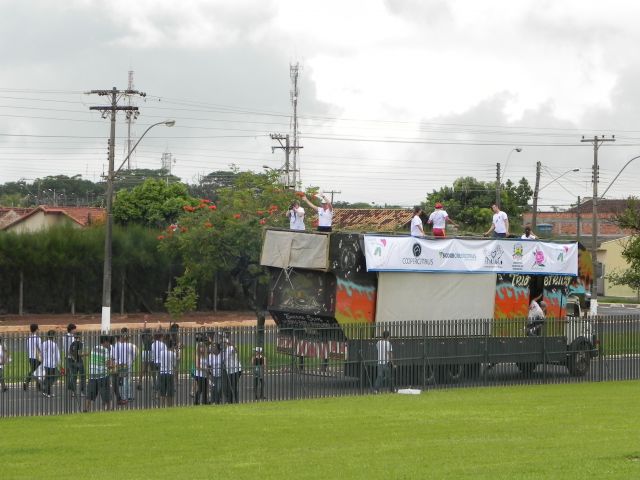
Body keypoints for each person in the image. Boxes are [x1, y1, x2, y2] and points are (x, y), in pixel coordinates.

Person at [85, 335, 113, 412]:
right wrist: (114, 365)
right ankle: (108, 409)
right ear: (105, 342)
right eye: (108, 342)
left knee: (90, 394)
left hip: (92, 374)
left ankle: (86, 409)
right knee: (106, 393)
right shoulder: (105, 350)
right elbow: (108, 365)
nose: (109, 344)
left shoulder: (94, 348)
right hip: (102, 375)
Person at [112, 328, 137, 405]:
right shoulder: (130, 345)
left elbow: (114, 356)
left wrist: (117, 363)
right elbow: (135, 354)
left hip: (119, 365)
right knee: (127, 380)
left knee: (120, 381)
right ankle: (128, 396)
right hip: (127, 364)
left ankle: (122, 396)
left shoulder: (116, 345)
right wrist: (131, 361)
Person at [41, 330, 60, 398]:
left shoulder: (44, 343)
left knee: (48, 377)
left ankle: (45, 389)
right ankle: (47, 392)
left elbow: (41, 353)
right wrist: (58, 363)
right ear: (53, 336)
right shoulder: (54, 345)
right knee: (53, 377)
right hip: (52, 364)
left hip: (45, 363)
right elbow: (57, 356)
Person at [223, 336, 242, 404]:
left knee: (233, 385)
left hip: (236, 370)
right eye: (223, 343)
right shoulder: (222, 352)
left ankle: (235, 401)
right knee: (229, 386)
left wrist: (233, 345)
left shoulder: (230, 348)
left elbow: (236, 350)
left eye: (225, 343)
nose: (224, 344)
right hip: (229, 371)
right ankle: (230, 401)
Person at [158, 339, 177, 408]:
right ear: (172, 346)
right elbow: (174, 365)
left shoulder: (161, 353)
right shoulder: (173, 354)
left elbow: (159, 362)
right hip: (170, 373)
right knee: (170, 392)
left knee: (162, 391)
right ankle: (170, 406)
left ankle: (162, 406)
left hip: (162, 372)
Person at [23, 323, 42, 392]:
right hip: (37, 357)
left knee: (35, 371)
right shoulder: (37, 338)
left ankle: (38, 385)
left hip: (30, 357)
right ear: (36, 329)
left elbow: (28, 348)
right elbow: (40, 348)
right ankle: (27, 381)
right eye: (37, 329)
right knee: (35, 371)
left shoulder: (29, 338)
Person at [66, 331, 86, 397]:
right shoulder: (80, 344)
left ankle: (73, 392)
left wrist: (74, 358)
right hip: (79, 361)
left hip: (73, 361)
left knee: (74, 377)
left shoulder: (72, 344)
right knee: (82, 376)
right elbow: (79, 353)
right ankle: (82, 392)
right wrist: (86, 354)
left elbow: (70, 352)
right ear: (80, 337)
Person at [193, 341, 209, 405]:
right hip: (199, 375)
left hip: (204, 375)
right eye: (200, 347)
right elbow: (197, 366)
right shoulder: (198, 356)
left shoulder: (205, 356)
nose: (202, 349)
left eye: (203, 347)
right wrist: (205, 369)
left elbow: (207, 364)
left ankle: (204, 401)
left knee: (205, 388)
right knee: (200, 388)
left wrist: (207, 368)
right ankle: (196, 401)